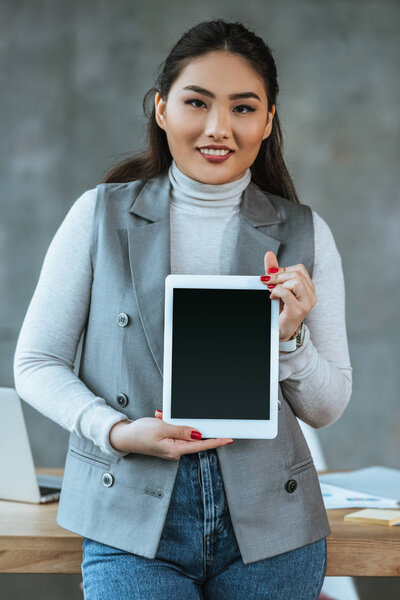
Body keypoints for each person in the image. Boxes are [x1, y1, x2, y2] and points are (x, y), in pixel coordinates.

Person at [13, 18, 352, 600]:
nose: (219, 127)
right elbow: (37, 362)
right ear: (162, 109)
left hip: (272, 527)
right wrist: (116, 431)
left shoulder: (305, 233)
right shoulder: (97, 217)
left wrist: (291, 341)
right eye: (198, 102)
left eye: (244, 108)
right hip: (129, 516)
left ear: (268, 122)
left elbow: (326, 407)